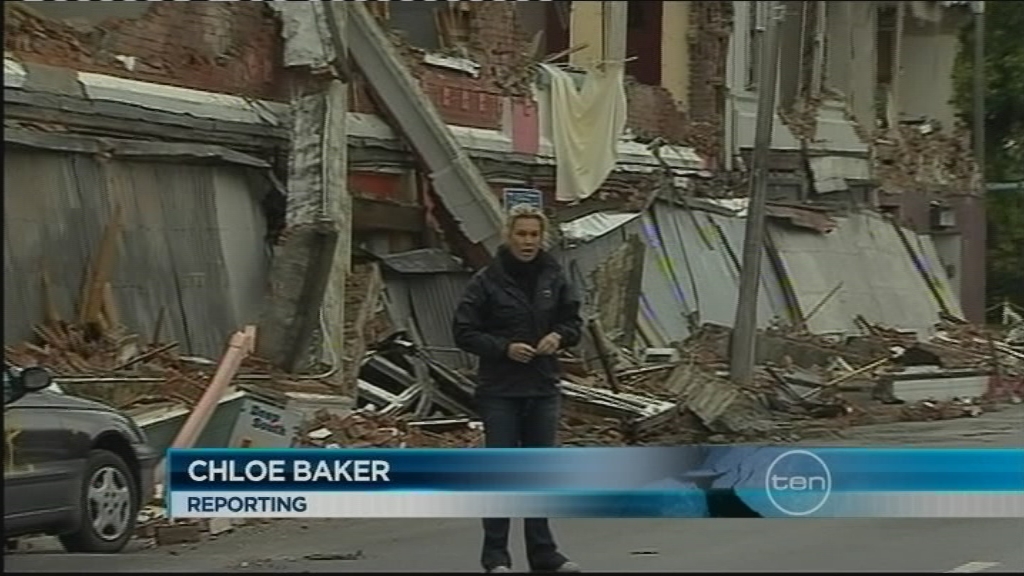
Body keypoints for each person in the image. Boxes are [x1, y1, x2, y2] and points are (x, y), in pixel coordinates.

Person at [453, 204, 584, 574]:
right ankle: (496, 555)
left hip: (542, 387)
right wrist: (504, 348)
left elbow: (573, 321)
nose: (528, 241)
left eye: (534, 234)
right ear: (508, 236)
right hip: (500, 390)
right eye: (521, 234)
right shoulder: (486, 281)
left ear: (543, 238)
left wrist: (559, 336)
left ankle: (544, 553)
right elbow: (463, 331)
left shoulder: (553, 276)